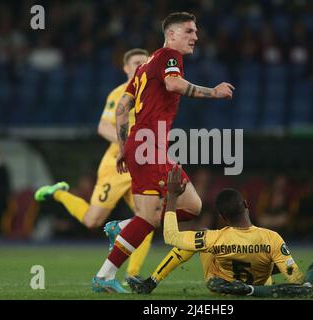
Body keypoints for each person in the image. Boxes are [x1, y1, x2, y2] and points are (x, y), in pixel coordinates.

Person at [92, 12, 235, 293]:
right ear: (171, 34)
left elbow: (123, 108)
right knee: (149, 218)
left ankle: (123, 226)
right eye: (189, 31)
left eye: (195, 32)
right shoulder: (170, 56)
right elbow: (173, 84)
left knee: (192, 205)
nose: (195, 36)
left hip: (148, 147)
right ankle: (104, 276)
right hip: (148, 148)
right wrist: (214, 92)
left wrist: (124, 147)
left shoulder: (145, 66)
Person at [34, 48, 153, 281]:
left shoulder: (152, 93)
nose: (140, 67)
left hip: (143, 164)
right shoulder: (120, 94)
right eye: (136, 63)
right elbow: (103, 127)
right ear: (126, 68)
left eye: (144, 63)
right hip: (117, 166)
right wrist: (127, 145)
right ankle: (59, 194)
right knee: (92, 220)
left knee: (147, 217)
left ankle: (133, 275)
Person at [127, 165, 304, 295]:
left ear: (222, 216)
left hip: (221, 290)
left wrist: (172, 197)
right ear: (245, 205)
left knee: (199, 237)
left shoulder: (214, 238)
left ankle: (151, 282)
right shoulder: (272, 238)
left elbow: (171, 236)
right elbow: (296, 279)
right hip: (259, 289)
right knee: (269, 261)